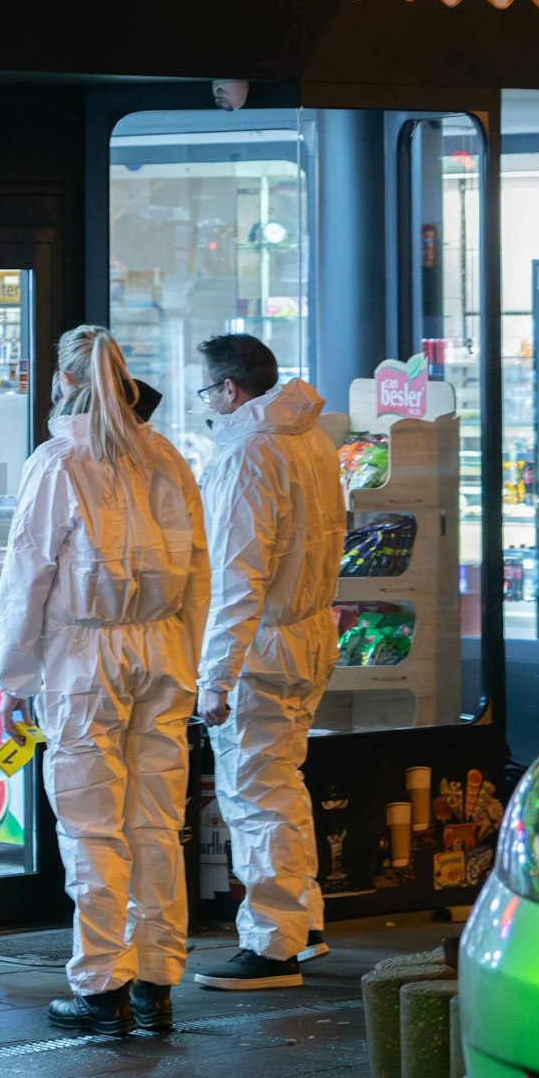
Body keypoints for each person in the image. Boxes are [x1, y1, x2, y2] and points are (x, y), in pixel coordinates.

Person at [0, 326, 208, 1037]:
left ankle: (101, 985)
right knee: (155, 822)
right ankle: (156, 980)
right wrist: (194, 659)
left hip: (84, 659)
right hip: (164, 651)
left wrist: (12, 677)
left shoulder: (59, 462)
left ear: (64, 382)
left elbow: (28, 576)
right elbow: (200, 572)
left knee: (91, 826)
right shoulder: (167, 459)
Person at [191, 334, 345, 991]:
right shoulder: (311, 440)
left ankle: (272, 944)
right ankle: (302, 925)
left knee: (254, 792)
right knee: (282, 781)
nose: (210, 404)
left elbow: (235, 576)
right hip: (310, 632)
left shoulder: (248, 452)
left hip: (261, 646)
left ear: (230, 390)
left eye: (209, 391)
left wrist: (214, 677)